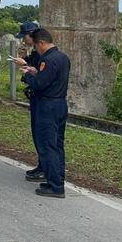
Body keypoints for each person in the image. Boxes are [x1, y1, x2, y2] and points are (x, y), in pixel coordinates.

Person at [21, 28, 70, 198]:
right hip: (60, 104)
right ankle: (57, 179)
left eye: (36, 46)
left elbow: (39, 84)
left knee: (47, 145)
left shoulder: (47, 59)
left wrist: (28, 75)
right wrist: (36, 72)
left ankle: (55, 186)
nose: (36, 50)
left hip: (47, 105)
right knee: (57, 145)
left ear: (41, 43)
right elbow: (52, 79)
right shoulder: (63, 58)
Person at [13, 21, 43, 181]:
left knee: (42, 135)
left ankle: (45, 168)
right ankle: (41, 165)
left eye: (24, 37)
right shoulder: (36, 53)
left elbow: (38, 75)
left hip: (42, 100)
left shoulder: (43, 55)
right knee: (37, 134)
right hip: (36, 98)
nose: (23, 41)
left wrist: (25, 64)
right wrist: (25, 58)